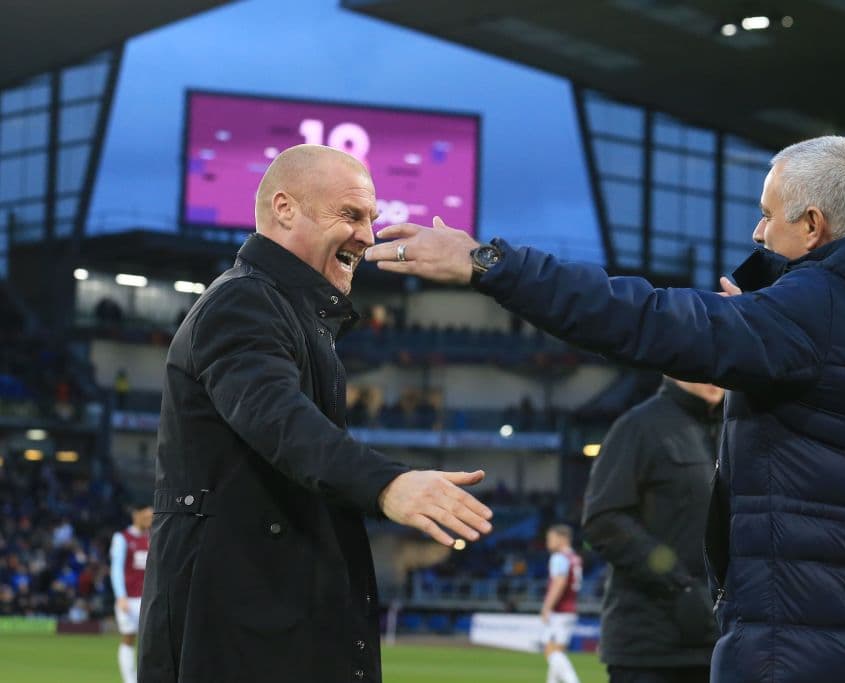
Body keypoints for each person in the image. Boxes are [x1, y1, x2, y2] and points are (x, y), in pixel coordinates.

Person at [365, 136, 845, 683]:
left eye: (767, 216)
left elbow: (643, 316)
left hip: (802, 646)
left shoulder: (812, 315)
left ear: (813, 225)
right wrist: (764, 317)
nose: (758, 236)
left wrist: (488, 264)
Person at [138, 144, 493, 683]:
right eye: (350, 215)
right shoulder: (244, 302)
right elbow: (277, 418)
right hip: (242, 634)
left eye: (371, 218)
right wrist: (386, 484)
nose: (368, 236)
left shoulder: (291, 314)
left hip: (266, 625)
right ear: (284, 209)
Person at [583, 378, 723, 683]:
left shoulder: (736, 431)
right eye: (699, 365)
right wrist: (679, 585)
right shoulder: (639, 426)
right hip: (649, 646)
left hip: (720, 645)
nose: (713, 376)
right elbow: (604, 520)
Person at [110, 502, 153, 683]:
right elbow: (116, 568)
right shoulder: (122, 538)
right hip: (129, 599)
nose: (150, 520)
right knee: (129, 637)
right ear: (136, 515)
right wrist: (120, 596)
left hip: (148, 598)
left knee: (152, 641)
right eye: (146, 516)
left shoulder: (152, 537)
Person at [540, 524, 582, 683]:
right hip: (570, 609)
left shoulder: (559, 557)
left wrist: (546, 607)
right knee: (558, 651)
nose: (548, 542)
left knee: (550, 651)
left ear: (562, 538)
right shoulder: (575, 557)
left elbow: (559, 583)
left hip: (559, 611)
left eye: (550, 538)